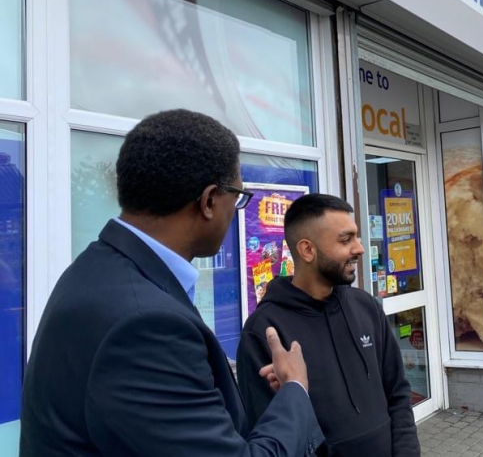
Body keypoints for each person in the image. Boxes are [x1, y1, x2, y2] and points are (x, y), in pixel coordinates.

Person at [20, 109, 323, 457]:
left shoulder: (97, 268)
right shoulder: (144, 325)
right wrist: (295, 389)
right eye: (237, 197)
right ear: (209, 201)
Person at [237, 193, 420, 457]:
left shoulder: (366, 307)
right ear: (307, 250)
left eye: (356, 236)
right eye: (346, 239)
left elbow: (398, 393)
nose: (359, 248)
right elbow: (270, 435)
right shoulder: (265, 331)